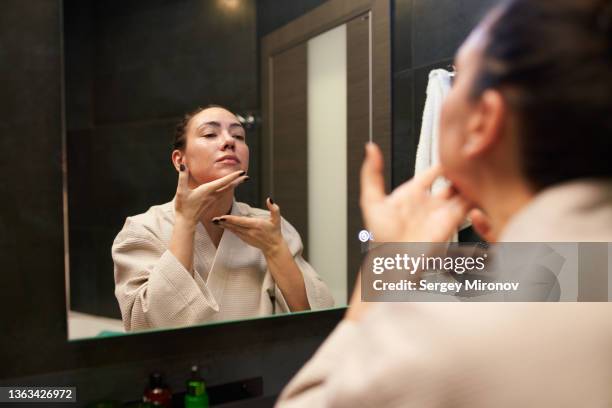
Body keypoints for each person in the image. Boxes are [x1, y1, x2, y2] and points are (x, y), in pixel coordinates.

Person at [277, 0, 612, 406]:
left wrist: (388, 264)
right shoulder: (589, 274)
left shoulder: (447, 335)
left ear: (482, 121)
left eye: (460, 78)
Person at [112, 105, 334, 331]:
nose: (230, 142)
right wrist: (186, 222)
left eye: (238, 135)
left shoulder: (269, 227)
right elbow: (147, 327)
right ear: (180, 160)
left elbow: (315, 323)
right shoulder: (143, 230)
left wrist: (276, 249)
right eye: (210, 134)